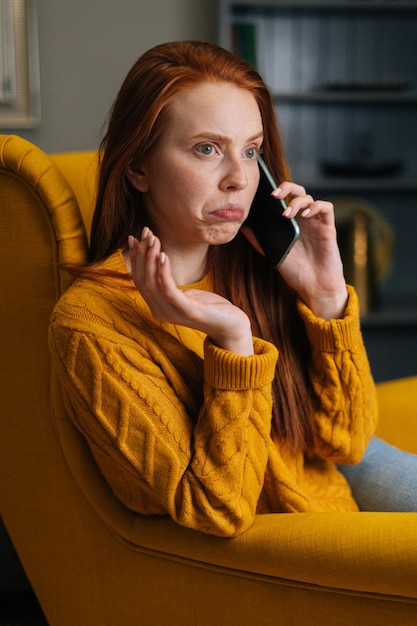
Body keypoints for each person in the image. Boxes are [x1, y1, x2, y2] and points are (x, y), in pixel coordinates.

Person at [48, 41, 416, 538]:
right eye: (207, 148)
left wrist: (326, 296)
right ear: (138, 167)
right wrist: (233, 341)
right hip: (299, 554)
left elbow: (348, 441)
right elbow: (218, 509)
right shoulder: (91, 323)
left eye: (251, 150)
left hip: (335, 497)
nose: (239, 179)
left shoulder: (257, 265)